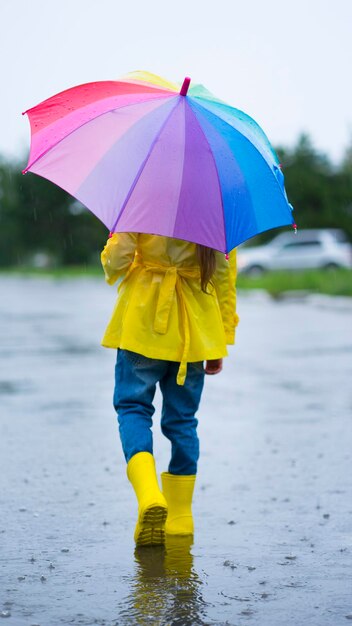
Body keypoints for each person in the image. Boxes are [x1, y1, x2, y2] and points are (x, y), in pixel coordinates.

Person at [101, 232, 239, 546]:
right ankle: (180, 518)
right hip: (194, 330)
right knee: (182, 421)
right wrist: (222, 336)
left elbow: (115, 263)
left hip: (142, 324)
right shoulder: (213, 213)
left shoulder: (142, 200)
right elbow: (223, 277)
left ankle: (150, 494)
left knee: (133, 408)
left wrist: (116, 241)